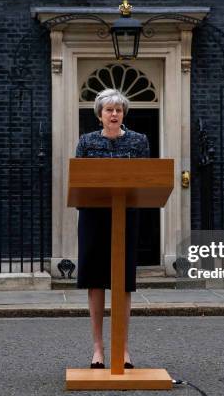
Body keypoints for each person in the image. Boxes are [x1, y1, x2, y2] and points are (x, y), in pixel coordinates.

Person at [75, 88, 150, 369]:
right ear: (99, 115)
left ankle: (123, 349)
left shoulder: (139, 142)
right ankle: (98, 349)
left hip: (125, 216)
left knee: (123, 282)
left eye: (118, 109)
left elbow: (145, 180)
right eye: (109, 110)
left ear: (123, 114)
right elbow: (78, 180)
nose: (114, 114)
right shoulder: (86, 142)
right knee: (96, 281)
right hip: (93, 217)